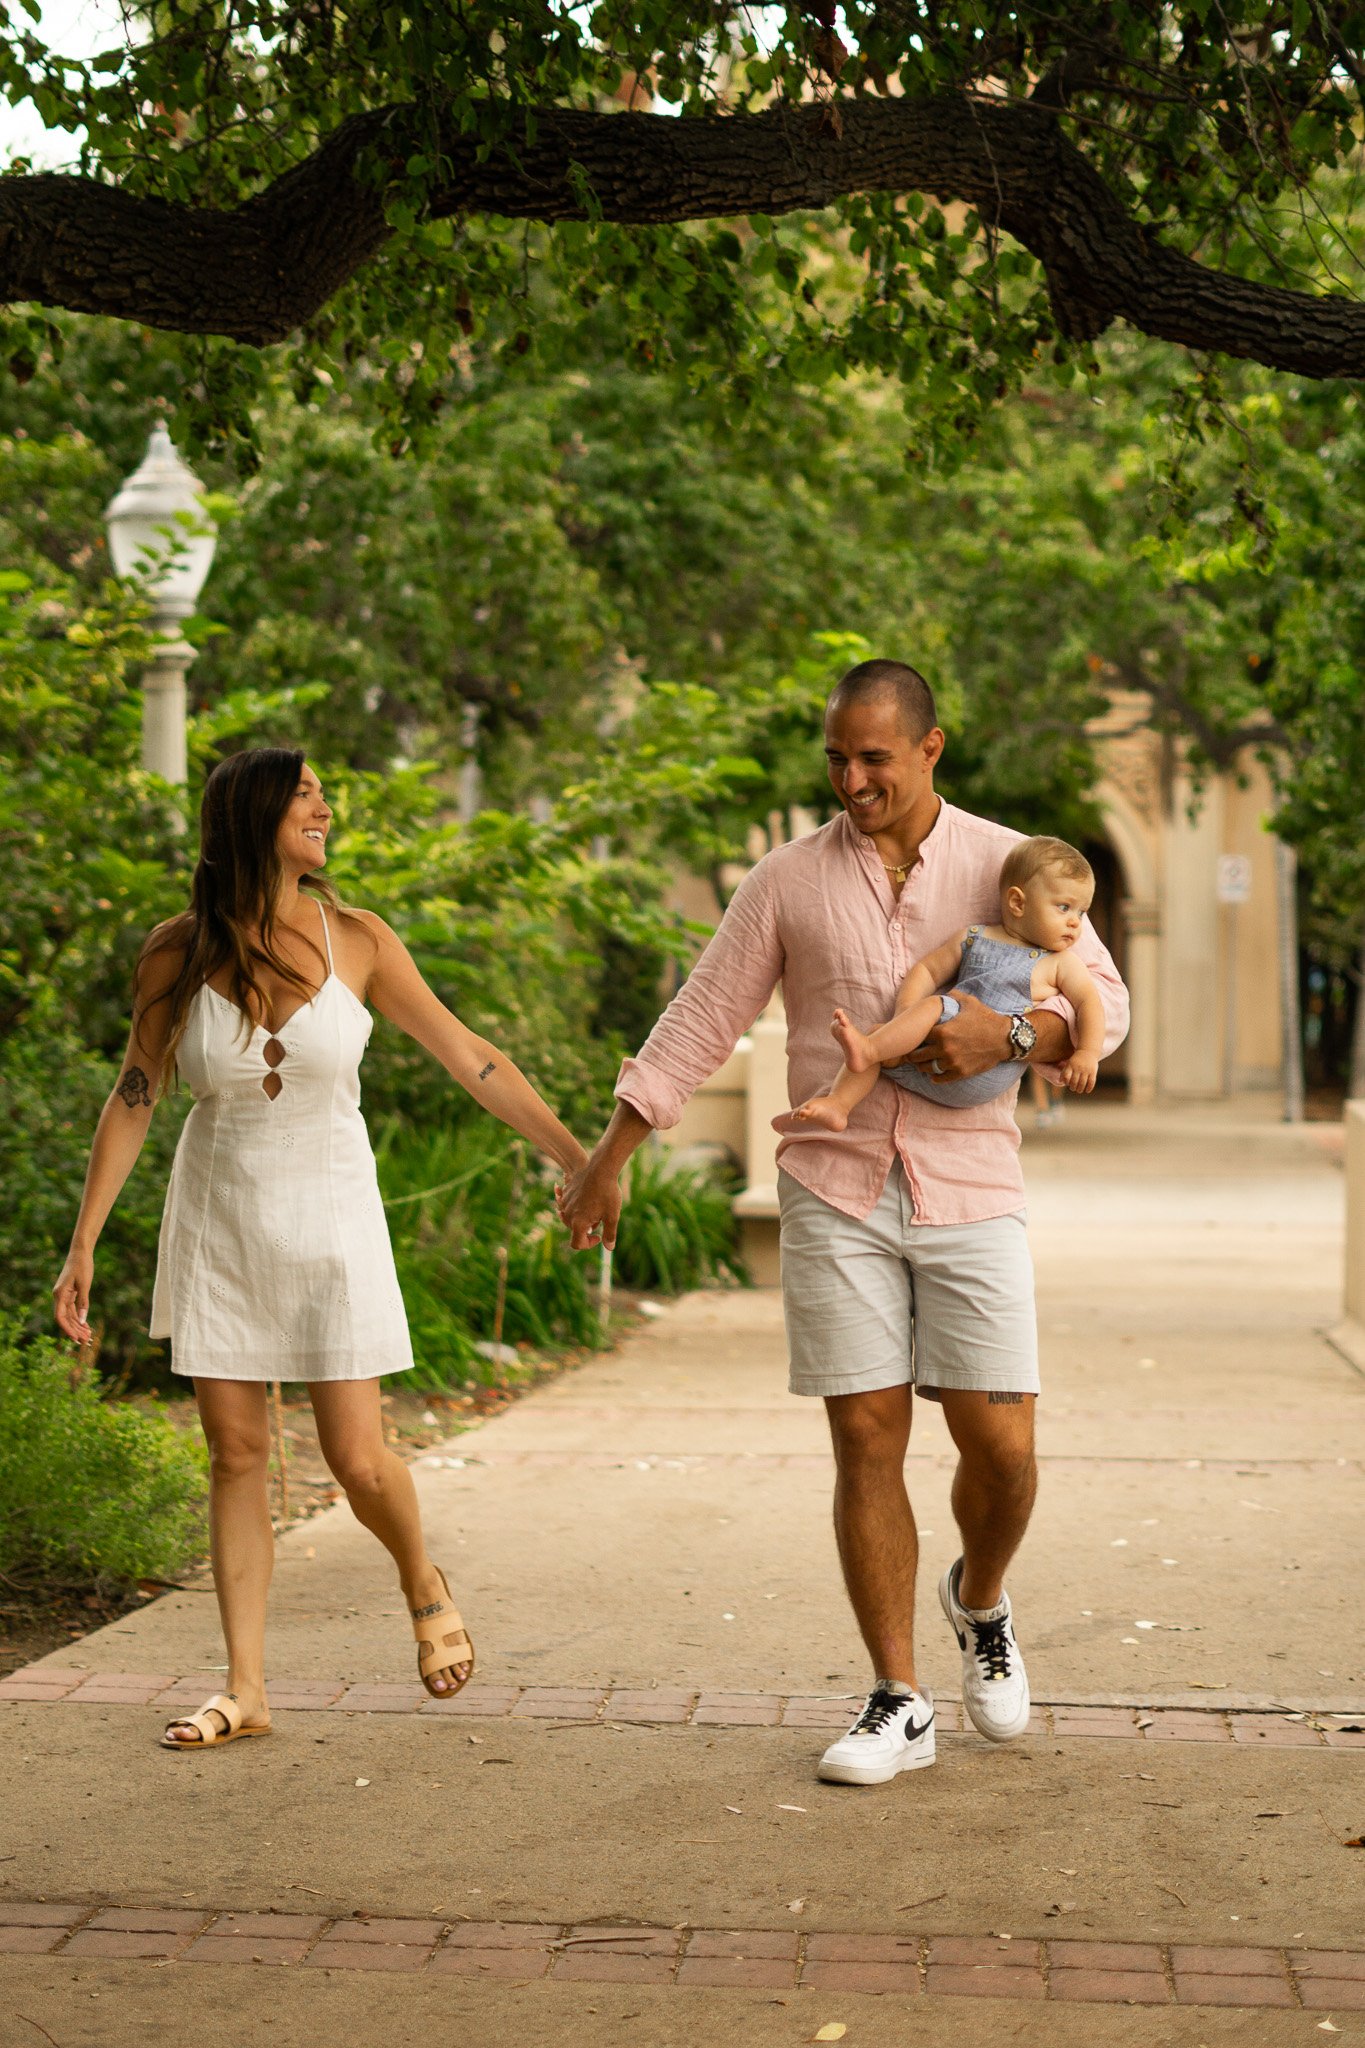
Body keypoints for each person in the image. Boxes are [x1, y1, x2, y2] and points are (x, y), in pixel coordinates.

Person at [558, 661, 1127, 1786]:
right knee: (866, 1437)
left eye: (874, 757)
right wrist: (606, 1159)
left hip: (972, 1185)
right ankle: (899, 1695)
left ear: (930, 748)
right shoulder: (787, 880)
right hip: (836, 1183)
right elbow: (699, 1015)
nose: (852, 778)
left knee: (1002, 1446)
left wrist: (1009, 1041)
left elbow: (1098, 994)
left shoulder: (1011, 865)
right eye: (837, 758)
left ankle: (980, 1596)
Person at [53, 747, 588, 1751]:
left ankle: (420, 1575)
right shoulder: (176, 952)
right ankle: (245, 1685)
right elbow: (136, 1091)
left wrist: (579, 1157)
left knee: (355, 1457)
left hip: (335, 1214)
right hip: (219, 1217)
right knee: (237, 1455)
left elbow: (472, 1055)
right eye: (306, 797)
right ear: (254, 817)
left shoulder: (361, 940)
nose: (326, 810)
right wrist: (83, 1240)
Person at [786, 836, 1105, 1132]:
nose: (1075, 922)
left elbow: (1089, 1002)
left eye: (1082, 911)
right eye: (1064, 907)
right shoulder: (976, 937)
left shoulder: (1059, 962)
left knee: (931, 1008)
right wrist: (907, 1015)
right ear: (1018, 903)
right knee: (878, 1038)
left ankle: (870, 1049)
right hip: (932, 1055)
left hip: (988, 1071)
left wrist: (1087, 1052)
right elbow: (927, 969)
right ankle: (839, 1105)